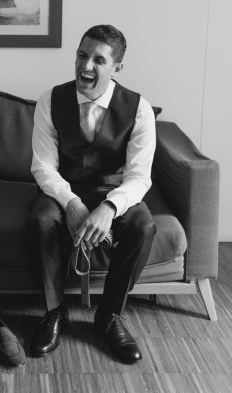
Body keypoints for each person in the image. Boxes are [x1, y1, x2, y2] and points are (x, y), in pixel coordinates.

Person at [27, 24, 156, 363]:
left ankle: (110, 315)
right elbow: (43, 167)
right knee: (41, 219)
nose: (86, 66)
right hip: (63, 189)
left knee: (143, 225)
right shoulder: (49, 100)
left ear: (117, 67)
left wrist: (109, 208)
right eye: (82, 55)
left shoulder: (139, 109)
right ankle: (54, 312)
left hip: (115, 190)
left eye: (99, 60)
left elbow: (139, 177)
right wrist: (71, 202)